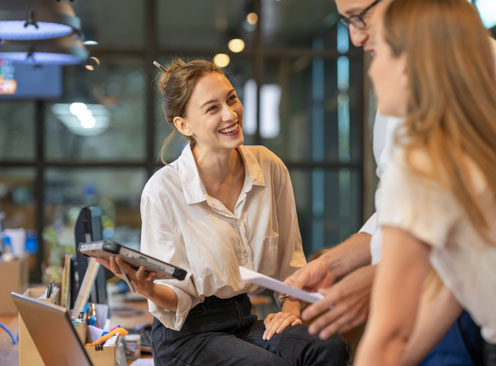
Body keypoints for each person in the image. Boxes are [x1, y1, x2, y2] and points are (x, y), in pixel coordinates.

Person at [286, 0, 496, 364]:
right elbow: (450, 277)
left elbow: (394, 331)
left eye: (380, 54)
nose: (369, 67)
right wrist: (338, 265)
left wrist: (383, 286)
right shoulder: (474, 139)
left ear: (413, 63)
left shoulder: (423, 156)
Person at [98, 59, 348, 366]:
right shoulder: (164, 189)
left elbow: (289, 263)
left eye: (231, 99)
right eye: (212, 108)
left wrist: (289, 312)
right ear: (183, 125)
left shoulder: (268, 167)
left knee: (328, 347)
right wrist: (148, 288)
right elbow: (175, 293)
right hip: (187, 336)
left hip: (242, 320)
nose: (230, 114)